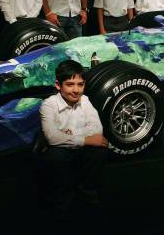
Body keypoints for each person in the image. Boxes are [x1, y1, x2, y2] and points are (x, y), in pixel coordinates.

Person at [39, 60, 108, 218]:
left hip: (75, 149)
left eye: (80, 84)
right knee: (57, 156)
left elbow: (97, 130)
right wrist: (85, 139)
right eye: (70, 84)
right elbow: (52, 138)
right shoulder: (48, 105)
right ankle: (62, 199)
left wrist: (67, 133)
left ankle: (87, 192)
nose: (76, 90)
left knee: (100, 150)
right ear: (58, 85)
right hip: (58, 151)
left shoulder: (85, 100)